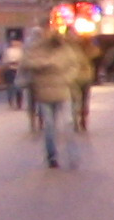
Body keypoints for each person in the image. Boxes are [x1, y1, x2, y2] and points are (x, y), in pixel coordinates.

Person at [22, 30, 90, 168]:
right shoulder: (37, 49)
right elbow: (27, 63)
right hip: (44, 93)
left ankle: (72, 155)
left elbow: (74, 65)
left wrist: (67, 78)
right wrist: (46, 65)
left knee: (68, 124)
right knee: (50, 126)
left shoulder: (66, 49)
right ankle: (51, 156)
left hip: (62, 91)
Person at [2, 33, 25, 111]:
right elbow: (4, 60)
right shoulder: (8, 51)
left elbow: (25, 61)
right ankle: (11, 101)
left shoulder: (22, 51)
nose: (15, 43)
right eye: (13, 41)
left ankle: (19, 103)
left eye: (16, 41)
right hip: (10, 69)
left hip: (19, 70)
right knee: (10, 87)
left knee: (19, 88)